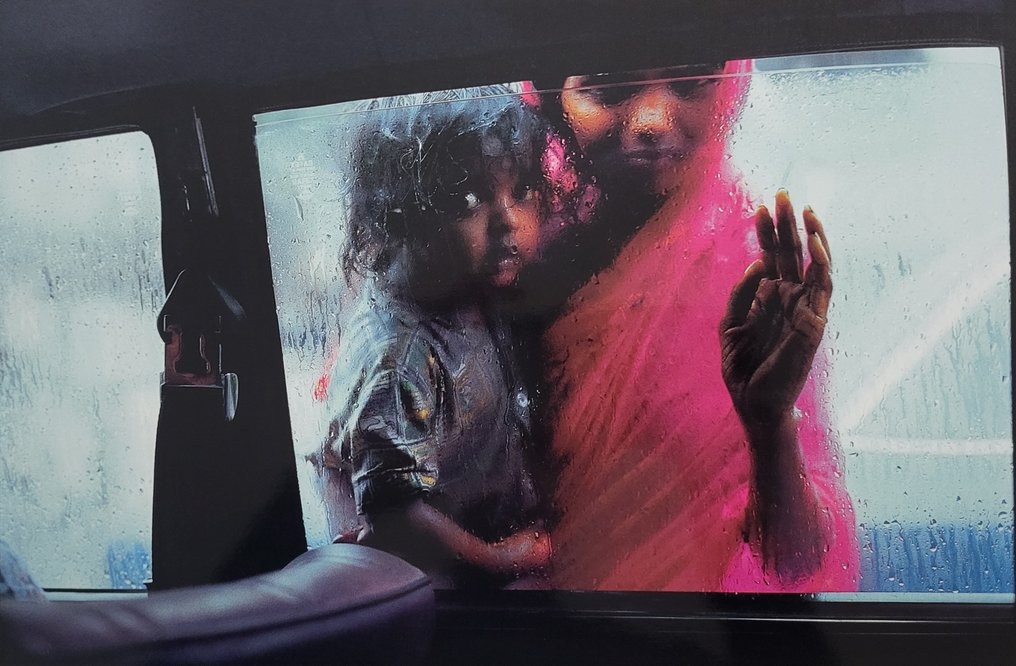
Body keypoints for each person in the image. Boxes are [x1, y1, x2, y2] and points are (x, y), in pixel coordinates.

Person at [531, 62, 858, 591]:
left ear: (729, 87)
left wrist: (769, 425)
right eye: (607, 88)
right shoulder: (502, 242)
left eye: (690, 83)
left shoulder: (749, 275)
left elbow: (797, 563)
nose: (654, 119)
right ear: (547, 99)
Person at [313, 90, 556, 588]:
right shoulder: (402, 356)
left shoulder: (470, 289)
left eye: (523, 189)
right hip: (450, 588)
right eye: (470, 199)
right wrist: (499, 560)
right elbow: (395, 515)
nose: (508, 220)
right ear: (403, 216)